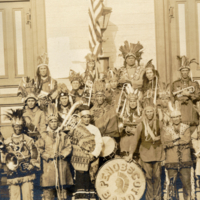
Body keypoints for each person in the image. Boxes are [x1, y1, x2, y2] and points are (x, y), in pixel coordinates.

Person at [126, 100, 164, 200]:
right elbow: (135, 140)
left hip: (157, 153)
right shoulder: (140, 125)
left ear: (154, 112)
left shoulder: (159, 123)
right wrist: (130, 154)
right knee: (148, 177)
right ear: (144, 113)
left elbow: (164, 138)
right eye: (147, 111)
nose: (149, 114)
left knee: (157, 177)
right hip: (145, 154)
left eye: (151, 111)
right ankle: (149, 198)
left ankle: (158, 197)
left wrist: (164, 154)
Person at [38, 104, 73, 200]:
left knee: (62, 190)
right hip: (48, 165)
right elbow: (39, 149)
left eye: (55, 122)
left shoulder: (63, 135)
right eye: (51, 122)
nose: (54, 123)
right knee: (48, 191)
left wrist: (62, 154)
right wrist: (48, 155)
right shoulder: (44, 136)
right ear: (48, 123)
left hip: (61, 164)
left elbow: (68, 147)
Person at [3, 109, 40, 200]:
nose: (18, 128)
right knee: (15, 196)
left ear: (22, 127)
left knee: (27, 195)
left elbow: (34, 152)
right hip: (13, 172)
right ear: (13, 127)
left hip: (26, 170)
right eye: (16, 126)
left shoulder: (28, 139)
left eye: (19, 126)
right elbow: (4, 155)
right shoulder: (7, 141)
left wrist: (32, 164)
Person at [161, 101, 194, 200]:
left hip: (185, 158)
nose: (175, 119)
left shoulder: (186, 127)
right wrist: (179, 139)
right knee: (172, 183)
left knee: (186, 183)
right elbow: (166, 142)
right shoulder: (166, 129)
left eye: (177, 117)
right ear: (171, 119)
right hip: (172, 159)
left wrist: (173, 141)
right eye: (173, 117)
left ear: (180, 117)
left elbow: (186, 139)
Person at [70, 108, 102, 200]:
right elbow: (73, 142)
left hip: (91, 158)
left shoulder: (95, 129)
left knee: (90, 179)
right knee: (80, 179)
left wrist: (94, 154)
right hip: (79, 159)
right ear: (81, 118)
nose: (86, 119)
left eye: (88, 117)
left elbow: (99, 143)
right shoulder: (76, 128)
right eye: (84, 117)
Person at [172, 56, 200, 131]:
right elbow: (173, 97)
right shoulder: (175, 84)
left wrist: (189, 94)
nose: (184, 72)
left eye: (186, 70)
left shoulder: (194, 84)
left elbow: (198, 96)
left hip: (191, 108)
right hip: (180, 108)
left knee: (192, 130)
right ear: (180, 72)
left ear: (188, 71)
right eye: (183, 71)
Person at [119, 90, 142, 160]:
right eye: (131, 101)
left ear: (137, 102)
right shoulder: (123, 113)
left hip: (138, 139)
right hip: (125, 138)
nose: (132, 103)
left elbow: (145, 126)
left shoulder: (142, 112)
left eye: (134, 101)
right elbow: (119, 127)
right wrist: (124, 129)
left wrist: (137, 131)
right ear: (128, 102)